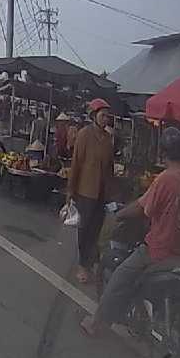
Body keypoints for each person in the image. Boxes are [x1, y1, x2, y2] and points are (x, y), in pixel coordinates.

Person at [80, 127, 180, 337]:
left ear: (162, 152)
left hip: (160, 249)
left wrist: (119, 214)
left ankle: (96, 323)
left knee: (120, 277)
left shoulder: (166, 178)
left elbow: (142, 208)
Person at [67, 98, 115, 284]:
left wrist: (111, 193)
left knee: (96, 230)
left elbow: (110, 169)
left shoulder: (108, 139)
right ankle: (82, 265)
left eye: (107, 116)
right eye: (103, 116)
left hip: (101, 193)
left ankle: (90, 262)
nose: (105, 119)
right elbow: (76, 163)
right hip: (85, 191)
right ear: (94, 116)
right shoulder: (84, 135)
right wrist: (71, 191)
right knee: (84, 230)